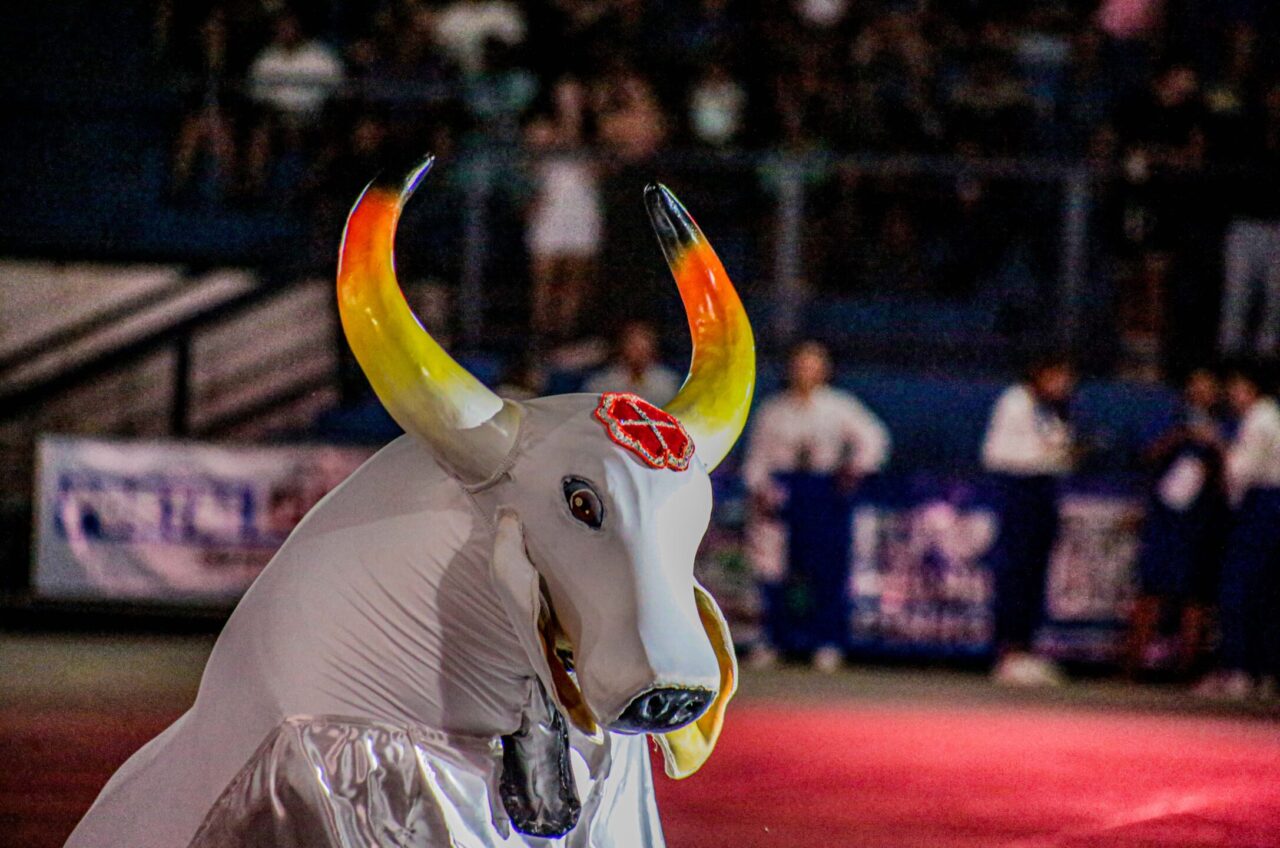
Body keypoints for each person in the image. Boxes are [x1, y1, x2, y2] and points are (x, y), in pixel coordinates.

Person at [742, 341, 891, 672]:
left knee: (826, 567)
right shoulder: (774, 410)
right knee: (775, 568)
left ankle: (827, 641)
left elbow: (874, 438)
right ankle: (774, 639)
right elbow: (757, 457)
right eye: (801, 364)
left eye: (814, 365)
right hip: (784, 490)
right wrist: (760, 488)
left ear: (825, 370)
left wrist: (855, 469)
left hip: (824, 489)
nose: (806, 371)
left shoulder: (839, 406)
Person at [1126, 367, 1229, 678]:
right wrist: (1181, 436)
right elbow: (1148, 453)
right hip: (1164, 520)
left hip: (1200, 523)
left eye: (1209, 385)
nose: (1202, 390)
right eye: (1197, 384)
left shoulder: (1226, 424)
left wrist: (1215, 445)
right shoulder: (1170, 418)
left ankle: (1188, 668)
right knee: (1151, 589)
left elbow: (1231, 474)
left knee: (1196, 594)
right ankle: (1131, 665)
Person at [981, 354, 1076, 687]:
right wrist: (1046, 456)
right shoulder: (1014, 403)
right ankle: (1007, 653)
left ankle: (1026, 649)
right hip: (1019, 491)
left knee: (1036, 573)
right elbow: (995, 454)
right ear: (1040, 374)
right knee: (1015, 572)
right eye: (1058, 377)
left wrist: (1064, 454)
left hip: (1044, 493)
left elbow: (1058, 450)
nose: (1064, 385)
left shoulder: (1053, 411)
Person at [1196, 360, 1280, 699]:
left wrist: (1217, 445)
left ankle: (1239, 670)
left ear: (1251, 388)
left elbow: (1240, 471)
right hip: (1267, 504)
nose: (1232, 394)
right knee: (1266, 592)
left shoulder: (1259, 419)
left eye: (1237, 387)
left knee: (1240, 587)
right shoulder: (1271, 417)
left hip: (1262, 505)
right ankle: (1264, 671)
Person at [582, 320, 680, 404]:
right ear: (622, 347)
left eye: (643, 348)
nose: (638, 353)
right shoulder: (602, 382)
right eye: (634, 346)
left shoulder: (668, 381)